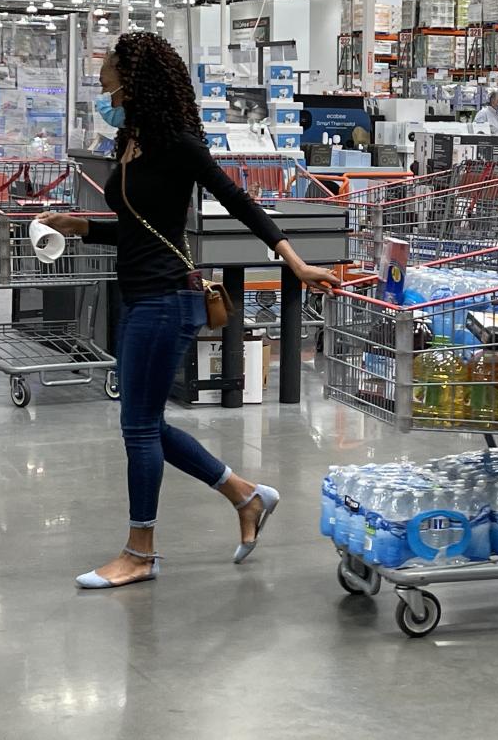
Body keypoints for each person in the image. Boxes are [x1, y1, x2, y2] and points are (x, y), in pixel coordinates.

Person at [39, 32, 339, 589]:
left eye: (106, 68)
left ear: (133, 77)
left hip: (165, 299)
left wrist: (295, 263)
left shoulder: (177, 142)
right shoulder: (131, 140)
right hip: (140, 294)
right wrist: (81, 227)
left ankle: (140, 552)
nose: (100, 79)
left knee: (137, 428)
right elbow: (138, 229)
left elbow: (240, 200)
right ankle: (245, 496)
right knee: (145, 422)